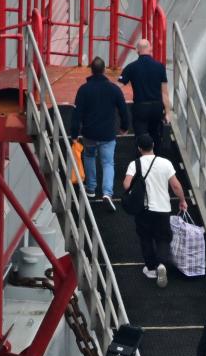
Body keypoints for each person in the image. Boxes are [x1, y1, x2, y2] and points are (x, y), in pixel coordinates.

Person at [123, 134, 187, 287]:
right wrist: (182, 200)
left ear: (139, 148)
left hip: (143, 209)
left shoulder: (135, 164)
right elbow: (176, 186)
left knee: (145, 238)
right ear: (153, 145)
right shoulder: (165, 163)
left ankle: (151, 268)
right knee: (163, 238)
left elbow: (126, 184)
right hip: (163, 208)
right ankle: (162, 264)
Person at [70, 57, 130, 212]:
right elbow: (124, 110)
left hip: (89, 133)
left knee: (89, 157)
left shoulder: (84, 90)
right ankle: (107, 193)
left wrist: (74, 134)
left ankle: (90, 188)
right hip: (108, 134)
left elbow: (77, 114)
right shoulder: (114, 89)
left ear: (91, 70)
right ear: (104, 70)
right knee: (108, 162)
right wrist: (124, 127)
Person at [119, 39, 172, 155]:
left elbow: (119, 86)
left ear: (136, 50)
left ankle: (142, 163)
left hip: (140, 107)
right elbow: (164, 93)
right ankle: (156, 159)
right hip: (156, 107)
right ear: (150, 48)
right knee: (155, 135)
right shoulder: (160, 67)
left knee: (141, 137)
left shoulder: (131, 67)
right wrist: (168, 112)